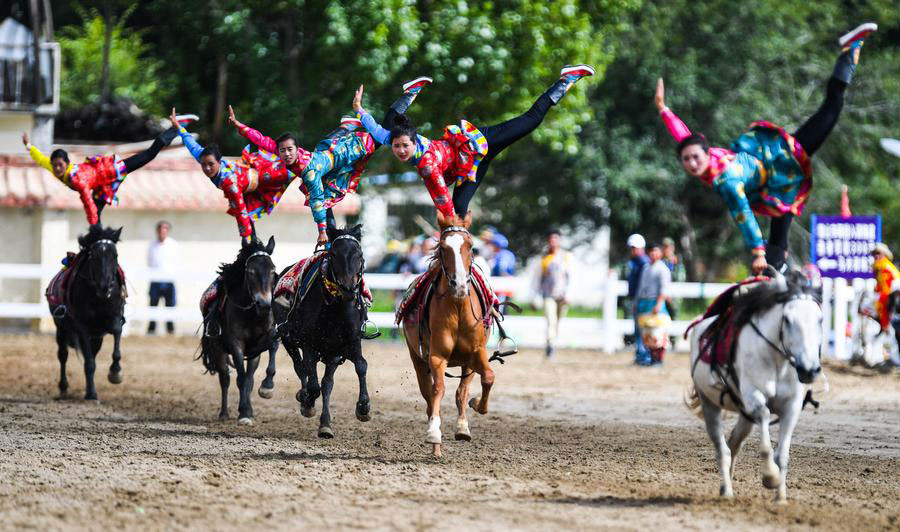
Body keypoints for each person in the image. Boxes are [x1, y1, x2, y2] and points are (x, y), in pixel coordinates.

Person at [655, 22, 878, 273]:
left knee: (831, 109)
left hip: (778, 167)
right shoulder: (706, 159)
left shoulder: (725, 179)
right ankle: (772, 283)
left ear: (706, 152)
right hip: (768, 183)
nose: (692, 163)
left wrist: (756, 251)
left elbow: (742, 213)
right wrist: (664, 110)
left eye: (695, 157)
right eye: (686, 160)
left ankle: (850, 50)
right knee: (778, 240)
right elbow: (684, 139)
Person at [354, 65, 594, 217]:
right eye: (397, 146)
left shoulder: (426, 164)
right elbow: (378, 131)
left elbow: (440, 196)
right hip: (469, 169)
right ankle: (410, 92)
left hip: (479, 145)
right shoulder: (398, 143)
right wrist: (359, 110)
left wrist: (450, 226)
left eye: (405, 145)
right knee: (460, 209)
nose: (401, 151)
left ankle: (566, 79)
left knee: (530, 121)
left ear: (415, 142)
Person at [233, 77, 432, 246]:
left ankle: (409, 93)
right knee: (325, 190)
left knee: (385, 133)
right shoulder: (291, 156)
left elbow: (317, 202)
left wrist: (321, 231)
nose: (285, 154)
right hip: (329, 154)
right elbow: (263, 141)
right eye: (282, 151)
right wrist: (240, 126)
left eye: (289, 150)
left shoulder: (309, 172)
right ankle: (346, 126)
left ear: (296, 148)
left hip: (350, 151)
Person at [22, 116, 195, 226]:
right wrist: (29, 146)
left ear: (67, 164)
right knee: (96, 217)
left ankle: (175, 127)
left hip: (112, 172)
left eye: (60, 165)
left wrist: (92, 222)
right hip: (101, 184)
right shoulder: (53, 168)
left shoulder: (77, 179)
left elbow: (87, 202)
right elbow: (41, 159)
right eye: (55, 165)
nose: (57, 169)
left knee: (149, 154)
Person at [171, 109, 295, 243]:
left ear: (219, 161)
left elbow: (241, 210)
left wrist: (245, 237)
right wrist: (179, 127)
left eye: (211, 164)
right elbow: (191, 144)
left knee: (291, 171)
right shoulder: (204, 157)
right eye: (204, 165)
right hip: (248, 179)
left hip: (263, 177)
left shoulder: (228, 183)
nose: (207, 168)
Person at [636, 243, 672, 365]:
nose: (653, 254)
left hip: (656, 302)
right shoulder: (646, 268)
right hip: (645, 302)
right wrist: (637, 302)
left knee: (658, 331)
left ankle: (659, 359)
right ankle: (651, 358)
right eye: (651, 251)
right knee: (647, 332)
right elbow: (641, 287)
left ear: (660, 253)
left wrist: (659, 304)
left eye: (655, 251)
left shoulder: (662, 269)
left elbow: (664, 289)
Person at [539, 229, 572, 359]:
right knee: (551, 321)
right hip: (548, 294)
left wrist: (568, 293)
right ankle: (550, 345)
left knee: (558, 321)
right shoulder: (544, 258)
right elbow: (539, 277)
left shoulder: (566, 256)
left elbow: (571, 276)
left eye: (555, 239)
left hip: (562, 295)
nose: (553, 242)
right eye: (551, 239)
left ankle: (552, 343)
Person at [147, 220, 179, 335]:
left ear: (168, 231)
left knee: (170, 305)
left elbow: (176, 261)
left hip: (169, 280)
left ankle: (170, 330)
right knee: (153, 304)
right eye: (160, 230)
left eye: (165, 230)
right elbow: (150, 262)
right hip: (155, 281)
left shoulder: (173, 245)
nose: (162, 232)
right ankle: (151, 329)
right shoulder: (152, 245)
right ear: (157, 231)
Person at [626, 233, 651, 365]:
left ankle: (644, 356)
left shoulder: (643, 263)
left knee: (642, 329)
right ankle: (640, 355)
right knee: (637, 329)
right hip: (636, 299)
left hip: (641, 300)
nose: (631, 250)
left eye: (633, 247)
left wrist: (637, 301)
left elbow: (643, 284)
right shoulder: (635, 262)